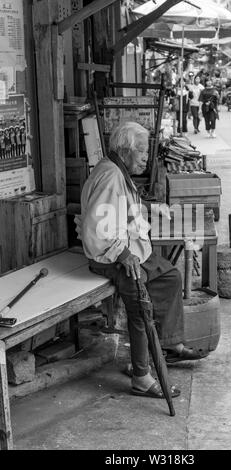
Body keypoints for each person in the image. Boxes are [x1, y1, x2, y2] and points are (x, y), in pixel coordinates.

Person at [79, 122, 204, 399]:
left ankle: (168, 346)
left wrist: (150, 207)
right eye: (141, 151)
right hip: (111, 256)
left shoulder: (118, 171)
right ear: (125, 151)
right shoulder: (111, 177)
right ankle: (142, 377)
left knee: (170, 277)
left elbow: (120, 208)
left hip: (131, 250)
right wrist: (123, 254)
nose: (146, 156)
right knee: (140, 306)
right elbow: (95, 229)